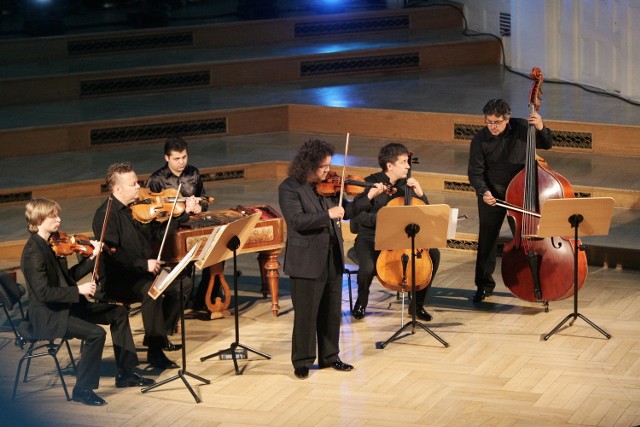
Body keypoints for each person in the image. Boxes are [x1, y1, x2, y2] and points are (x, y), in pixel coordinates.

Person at [20, 198, 155, 407]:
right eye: (53, 216)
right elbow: (43, 292)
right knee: (96, 334)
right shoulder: (33, 252)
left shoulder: (52, 244)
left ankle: (126, 373)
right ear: (38, 221)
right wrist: (78, 290)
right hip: (49, 315)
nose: (59, 219)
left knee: (118, 313)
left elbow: (68, 277)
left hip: (67, 307)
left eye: (57, 215)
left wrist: (91, 259)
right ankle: (82, 390)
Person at [278, 139, 385, 380]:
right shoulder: (289, 188)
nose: (328, 170)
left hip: (331, 256)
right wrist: (327, 214)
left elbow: (347, 210)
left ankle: (330, 357)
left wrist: (369, 195)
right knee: (306, 314)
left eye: (328, 165)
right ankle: (302, 361)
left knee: (331, 311)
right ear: (308, 165)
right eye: (323, 166)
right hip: (306, 260)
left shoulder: (326, 187)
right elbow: (296, 221)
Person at [92, 162, 194, 370]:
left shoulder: (137, 209)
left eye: (137, 182)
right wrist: (142, 264)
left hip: (142, 273)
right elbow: (112, 255)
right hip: (118, 278)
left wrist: (183, 214)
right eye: (133, 184)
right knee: (152, 292)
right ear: (117, 189)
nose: (139, 186)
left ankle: (158, 337)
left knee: (184, 285)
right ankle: (155, 351)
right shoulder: (106, 215)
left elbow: (157, 233)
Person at [467, 98, 553, 303]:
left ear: (507, 119)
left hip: (521, 193)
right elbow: (475, 172)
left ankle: (532, 283)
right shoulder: (480, 139)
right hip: (493, 194)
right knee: (487, 240)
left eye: (497, 122)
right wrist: (484, 192)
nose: (492, 127)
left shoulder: (522, 128)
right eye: (488, 122)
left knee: (525, 241)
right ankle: (484, 286)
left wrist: (541, 127)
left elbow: (547, 144)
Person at [350, 143, 440, 321]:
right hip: (371, 237)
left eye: (408, 162)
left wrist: (420, 194)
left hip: (401, 239)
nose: (408, 166)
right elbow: (357, 215)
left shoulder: (407, 185)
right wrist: (384, 219)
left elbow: (424, 213)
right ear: (390, 166)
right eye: (404, 162)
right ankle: (361, 301)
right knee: (367, 267)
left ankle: (417, 306)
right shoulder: (370, 183)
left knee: (434, 255)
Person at [146, 136, 210, 328]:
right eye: (176, 158)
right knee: (180, 269)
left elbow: (204, 198)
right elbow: (151, 213)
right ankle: (173, 307)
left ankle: (203, 300)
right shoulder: (156, 180)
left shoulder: (193, 173)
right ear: (167, 158)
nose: (181, 162)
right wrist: (180, 211)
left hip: (191, 228)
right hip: (167, 232)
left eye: (184, 157)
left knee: (212, 257)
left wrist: (200, 207)